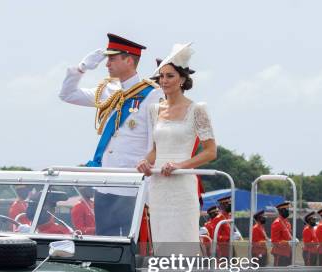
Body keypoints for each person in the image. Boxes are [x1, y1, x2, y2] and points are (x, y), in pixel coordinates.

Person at [60, 33, 163, 236]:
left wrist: (149, 188)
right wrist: (81, 68)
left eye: (112, 58)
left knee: (130, 245)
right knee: (105, 242)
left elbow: (155, 143)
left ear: (129, 60)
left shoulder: (152, 94)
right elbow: (67, 94)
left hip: (131, 184)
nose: (107, 64)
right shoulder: (108, 91)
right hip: (105, 181)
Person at [136, 43, 217, 255]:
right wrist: (146, 162)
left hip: (182, 184)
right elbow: (155, 150)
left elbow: (210, 152)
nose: (164, 81)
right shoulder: (154, 110)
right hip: (158, 184)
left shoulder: (197, 109)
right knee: (161, 242)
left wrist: (180, 165)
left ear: (182, 79)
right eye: (161, 76)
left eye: (169, 76)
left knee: (183, 240)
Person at [271, 201, 293, 266]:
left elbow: (288, 236)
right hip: (280, 253)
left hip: (288, 252)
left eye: (288, 209)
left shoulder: (287, 223)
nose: (288, 211)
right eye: (286, 210)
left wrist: (293, 239)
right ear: (281, 211)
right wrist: (287, 242)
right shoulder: (277, 223)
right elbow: (274, 242)